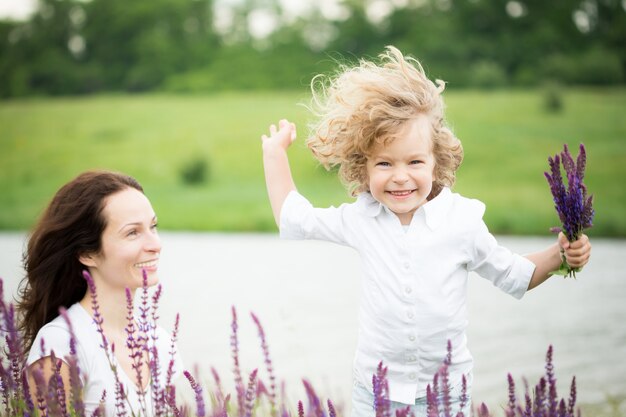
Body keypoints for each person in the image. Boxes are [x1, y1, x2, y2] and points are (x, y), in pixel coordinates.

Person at [260, 47, 591, 417]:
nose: (400, 176)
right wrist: (275, 155)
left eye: (415, 161)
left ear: (437, 161)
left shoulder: (461, 221)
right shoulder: (361, 219)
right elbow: (295, 218)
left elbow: (514, 273)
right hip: (375, 393)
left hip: (447, 394)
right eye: (384, 163)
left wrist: (560, 255)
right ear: (364, 167)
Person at [17, 170, 182, 417]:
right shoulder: (61, 343)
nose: (155, 244)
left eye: (153, 227)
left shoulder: (161, 343)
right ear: (87, 253)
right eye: (132, 233)